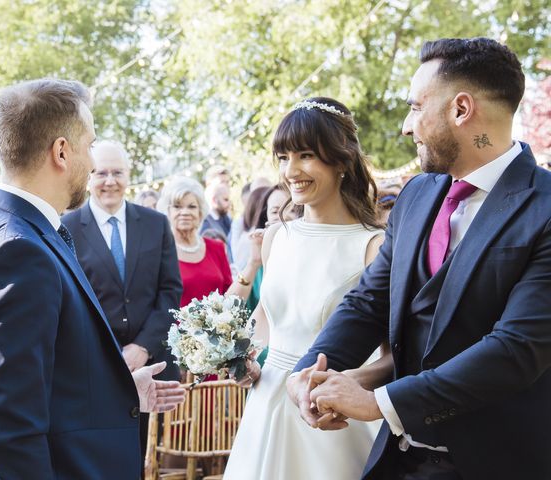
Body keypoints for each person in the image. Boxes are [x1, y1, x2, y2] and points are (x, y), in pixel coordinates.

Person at [288, 38, 551, 480]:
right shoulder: (416, 195)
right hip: (399, 460)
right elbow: (369, 300)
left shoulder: (545, 206)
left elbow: (516, 349)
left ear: (461, 109)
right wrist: (314, 370)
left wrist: (380, 403)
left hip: (499, 463)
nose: (407, 127)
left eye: (414, 107)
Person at [0, 78, 184, 480]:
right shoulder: (18, 251)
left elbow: (47, 379)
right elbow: (12, 426)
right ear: (61, 150)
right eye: (89, 145)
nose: (93, 163)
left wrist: (121, 392)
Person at [224, 97, 392, 480]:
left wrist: (344, 383)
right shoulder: (275, 238)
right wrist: (245, 360)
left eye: (305, 155)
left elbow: (394, 354)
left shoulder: (373, 246)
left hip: (332, 414)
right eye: (283, 157)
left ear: (341, 160)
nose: (291, 170)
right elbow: (265, 321)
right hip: (267, 403)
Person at [61, 140, 182, 470]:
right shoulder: (67, 228)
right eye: (101, 173)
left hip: (152, 366)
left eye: (117, 172)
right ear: (89, 176)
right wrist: (111, 355)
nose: (110, 181)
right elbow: (69, 301)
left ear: (129, 176)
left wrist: (143, 347)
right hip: (95, 371)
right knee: (103, 462)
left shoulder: (156, 224)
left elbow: (170, 291)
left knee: (147, 462)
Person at [157, 177, 259, 308]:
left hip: (219, 327)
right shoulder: (160, 252)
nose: (185, 212)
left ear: (200, 212)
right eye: (177, 206)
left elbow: (230, 296)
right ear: (168, 212)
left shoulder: (216, 247)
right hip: (173, 328)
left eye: (192, 206)